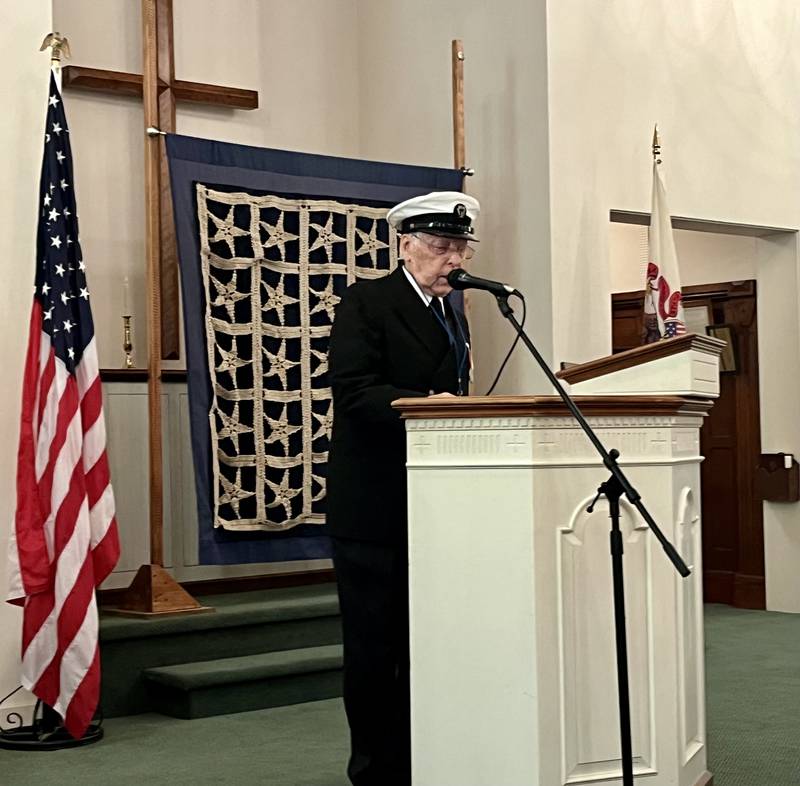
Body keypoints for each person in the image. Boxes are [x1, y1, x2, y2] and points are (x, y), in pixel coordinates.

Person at [326, 191, 480, 786]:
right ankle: (373, 771)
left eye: (460, 247)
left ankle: (423, 759)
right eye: (442, 247)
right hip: (374, 506)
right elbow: (355, 391)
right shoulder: (366, 302)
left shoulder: (455, 312)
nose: (454, 259)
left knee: (426, 645)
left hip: (435, 505)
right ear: (405, 244)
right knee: (374, 649)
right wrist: (424, 408)